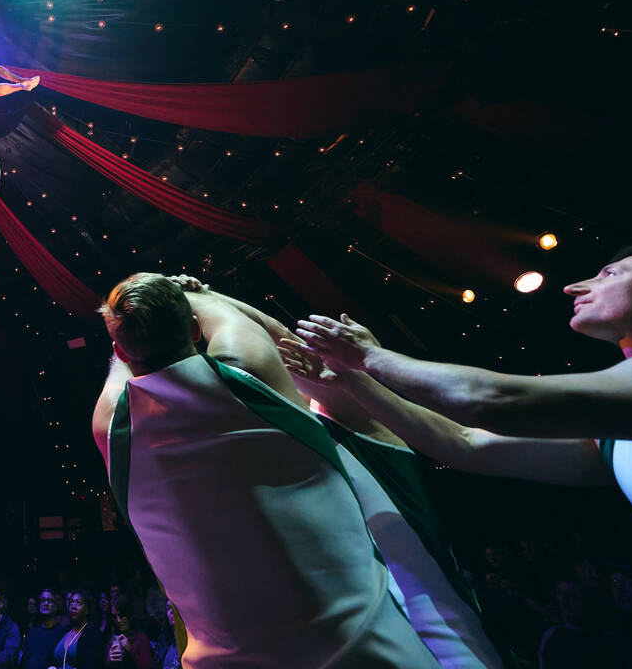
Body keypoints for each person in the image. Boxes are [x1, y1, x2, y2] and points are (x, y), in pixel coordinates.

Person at [93, 273, 438, 667]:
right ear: (192, 326)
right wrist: (193, 292)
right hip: (367, 653)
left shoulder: (112, 430)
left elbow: (122, 366)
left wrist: (130, 328)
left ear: (120, 350)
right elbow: (223, 313)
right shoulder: (248, 372)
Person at [289, 241, 632, 565]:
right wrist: (355, 380)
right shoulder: (617, 435)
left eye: (611, 274)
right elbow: (465, 443)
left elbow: (490, 400)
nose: (574, 287)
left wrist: (370, 357)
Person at [47, 590, 102, 669]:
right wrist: (52, 666)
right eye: (71, 602)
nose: (73, 606)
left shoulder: (92, 634)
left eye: (78, 603)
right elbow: (52, 658)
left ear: (87, 610)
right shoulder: (65, 631)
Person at [20, 588, 66, 669]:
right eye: (43, 600)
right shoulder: (32, 633)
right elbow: (25, 661)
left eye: (49, 600)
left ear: (55, 607)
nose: (45, 603)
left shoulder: (62, 634)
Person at [105, 596, 152, 668]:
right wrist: (109, 660)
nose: (118, 620)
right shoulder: (113, 640)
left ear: (129, 614)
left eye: (121, 615)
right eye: (115, 617)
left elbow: (148, 667)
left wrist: (130, 650)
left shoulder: (141, 639)